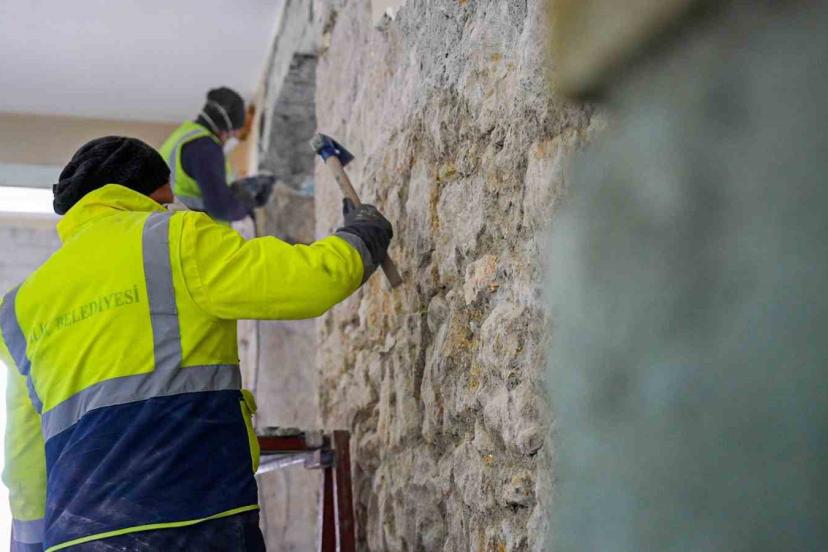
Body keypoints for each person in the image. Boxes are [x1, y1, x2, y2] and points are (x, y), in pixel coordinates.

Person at [0, 136, 392, 551]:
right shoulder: (174, 238)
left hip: (75, 538)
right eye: (168, 199)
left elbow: (25, 457)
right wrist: (360, 237)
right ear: (154, 193)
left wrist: (29, 545)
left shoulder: (21, 307)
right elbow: (309, 282)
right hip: (191, 517)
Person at [159, 86, 275, 221]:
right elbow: (223, 210)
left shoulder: (185, 134)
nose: (230, 139)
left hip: (172, 223)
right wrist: (248, 201)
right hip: (190, 227)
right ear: (226, 129)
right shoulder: (205, 148)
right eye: (233, 134)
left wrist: (238, 188)